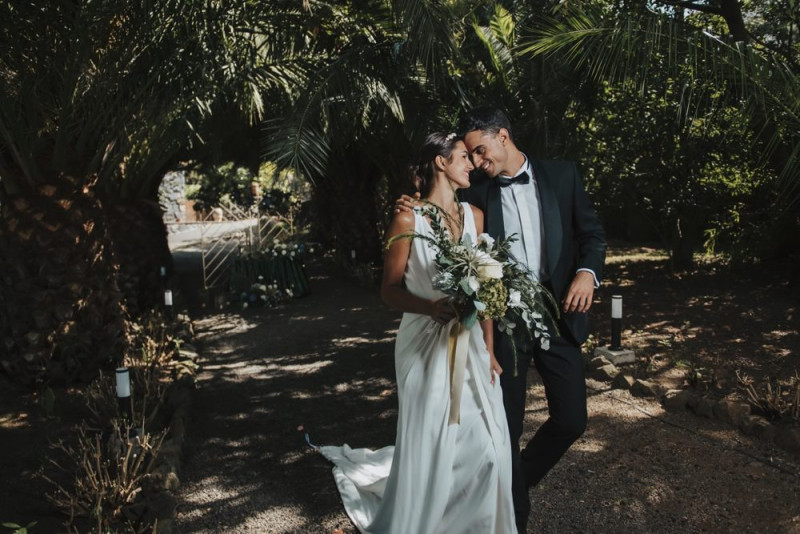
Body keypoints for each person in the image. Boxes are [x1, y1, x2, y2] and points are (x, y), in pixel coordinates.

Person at [396, 107, 606, 532]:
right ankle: (514, 518)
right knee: (504, 429)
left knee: (572, 420)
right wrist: (410, 201)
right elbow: (438, 209)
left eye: (479, 150)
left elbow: (593, 236)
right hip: (503, 323)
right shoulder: (477, 194)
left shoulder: (563, 175)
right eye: (469, 155)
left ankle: (513, 484)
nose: (475, 161)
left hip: (558, 317)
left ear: (503, 136)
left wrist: (587, 273)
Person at [320, 132, 517, 533]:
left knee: (488, 450)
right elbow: (388, 290)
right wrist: (430, 307)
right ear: (440, 163)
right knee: (435, 445)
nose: (471, 164)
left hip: (472, 347)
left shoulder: (475, 218)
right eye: (463, 156)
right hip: (424, 345)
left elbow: (488, 291)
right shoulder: (407, 218)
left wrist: (491, 348)